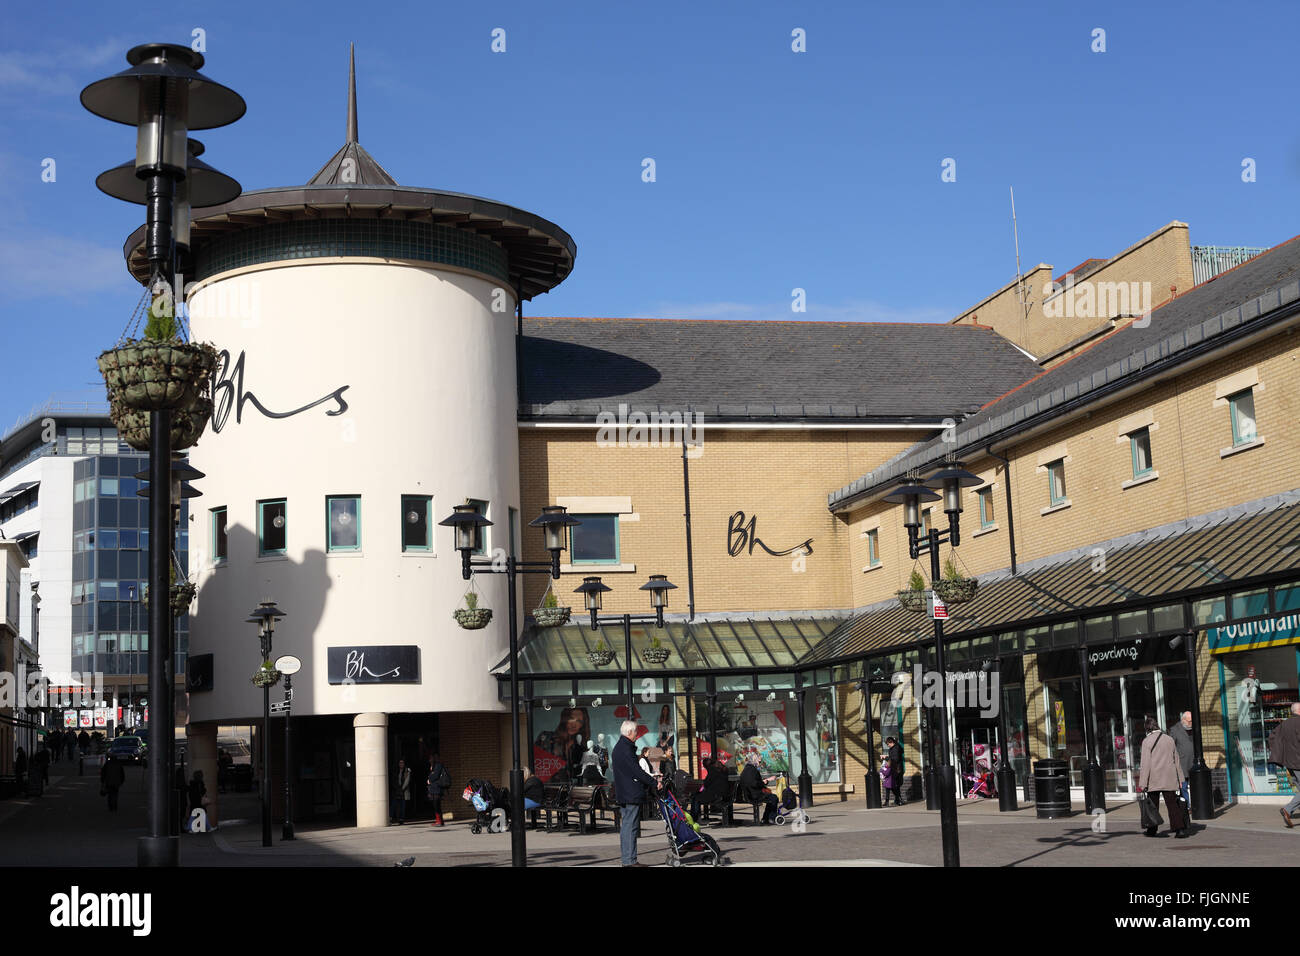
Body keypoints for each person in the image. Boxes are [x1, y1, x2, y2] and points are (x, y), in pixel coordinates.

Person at [613, 718, 661, 866]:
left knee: (628, 827)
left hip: (624, 792)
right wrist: (654, 783)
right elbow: (637, 771)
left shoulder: (619, 747)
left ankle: (629, 859)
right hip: (630, 793)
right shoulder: (626, 749)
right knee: (630, 828)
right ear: (629, 732)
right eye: (635, 732)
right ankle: (629, 861)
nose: (637, 735)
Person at [1138, 715, 1188, 838]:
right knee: (1172, 805)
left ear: (1147, 729)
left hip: (1153, 779)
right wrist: (1181, 779)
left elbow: (1145, 764)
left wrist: (1142, 783)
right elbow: (1176, 760)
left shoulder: (1147, 742)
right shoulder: (1169, 739)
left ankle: (1152, 829)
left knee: (1152, 806)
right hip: (1169, 777)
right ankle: (1179, 829)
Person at [1269, 702, 1300, 828]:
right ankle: (1287, 809)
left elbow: (1271, 737)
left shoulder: (1284, 724)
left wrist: (1281, 753)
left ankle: (1289, 810)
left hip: (1289, 762)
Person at [739, 754, 779, 824]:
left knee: (770, 797)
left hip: (749, 793)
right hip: (754, 795)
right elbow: (754, 784)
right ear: (754, 760)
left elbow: (754, 782)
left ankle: (765, 818)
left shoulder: (747, 769)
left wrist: (765, 781)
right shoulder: (752, 770)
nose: (759, 763)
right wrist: (766, 780)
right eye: (758, 761)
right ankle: (771, 818)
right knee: (774, 798)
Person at [691, 757, 732, 822]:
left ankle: (694, 819)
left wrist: (699, 790)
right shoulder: (722, 769)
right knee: (699, 795)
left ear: (706, 766)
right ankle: (698, 817)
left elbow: (706, 784)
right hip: (724, 794)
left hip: (716, 795)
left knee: (695, 798)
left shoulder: (712, 770)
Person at [1169, 711, 1195, 808]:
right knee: (1183, 787)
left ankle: (1195, 805)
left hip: (1193, 762)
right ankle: (1186, 806)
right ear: (1183, 720)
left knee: (1195, 786)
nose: (1191, 723)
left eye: (1192, 721)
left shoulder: (1193, 728)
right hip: (1182, 764)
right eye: (1189, 721)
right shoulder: (1175, 729)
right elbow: (1171, 747)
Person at [427, 753, 450, 827]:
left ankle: (439, 821)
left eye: (430, 758)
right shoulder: (434, 766)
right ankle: (439, 820)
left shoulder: (438, 765)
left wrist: (429, 779)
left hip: (437, 788)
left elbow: (435, 776)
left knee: (436, 804)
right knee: (436, 805)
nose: (429, 760)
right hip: (435, 788)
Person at [886, 736, 905, 806]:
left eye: (888, 744)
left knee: (894, 785)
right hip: (895, 769)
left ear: (891, 742)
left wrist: (886, 757)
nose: (888, 745)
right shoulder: (892, 749)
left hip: (897, 769)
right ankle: (898, 800)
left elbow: (895, 759)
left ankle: (899, 799)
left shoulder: (896, 748)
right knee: (895, 786)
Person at [391, 759, 411, 825]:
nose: (401, 764)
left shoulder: (407, 770)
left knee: (402, 805)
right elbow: (394, 779)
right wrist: (397, 788)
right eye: (400, 763)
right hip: (397, 790)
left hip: (403, 791)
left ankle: (401, 819)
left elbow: (407, 781)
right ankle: (391, 817)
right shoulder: (396, 771)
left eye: (402, 763)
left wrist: (402, 789)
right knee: (394, 804)